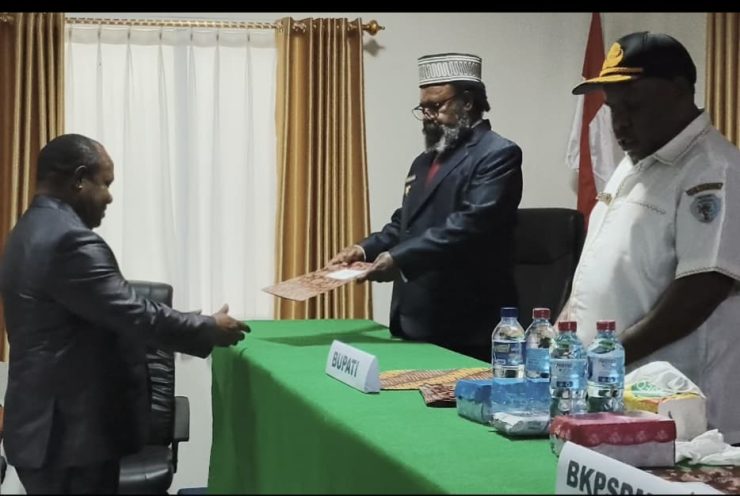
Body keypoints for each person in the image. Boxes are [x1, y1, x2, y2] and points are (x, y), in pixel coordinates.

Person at [0, 134, 250, 494]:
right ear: (79, 179)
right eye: (105, 183)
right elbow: (133, 314)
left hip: (46, 430)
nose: (109, 197)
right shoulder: (70, 240)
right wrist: (208, 327)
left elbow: (102, 308)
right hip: (69, 440)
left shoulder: (27, 229)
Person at [561, 32, 740, 443]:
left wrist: (606, 356)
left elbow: (701, 289)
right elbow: (603, 265)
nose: (619, 124)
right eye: (613, 109)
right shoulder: (634, 164)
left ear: (678, 90)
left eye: (634, 106)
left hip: (686, 417)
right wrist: (563, 332)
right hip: (619, 396)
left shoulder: (714, 170)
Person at [330, 53, 523, 362]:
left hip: (466, 325)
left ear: (468, 102)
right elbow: (404, 224)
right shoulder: (423, 162)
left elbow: (471, 224)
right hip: (415, 320)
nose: (428, 116)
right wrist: (363, 250)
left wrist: (399, 258)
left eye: (437, 106)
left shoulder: (498, 154)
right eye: (423, 108)